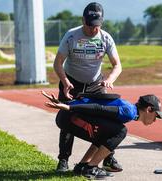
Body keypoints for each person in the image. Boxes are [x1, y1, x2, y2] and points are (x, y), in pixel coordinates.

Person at [53, 2, 122, 172]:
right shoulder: (71, 36)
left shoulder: (106, 38)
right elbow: (58, 63)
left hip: (95, 85)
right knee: (67, 120)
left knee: (104, 122)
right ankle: (63, 160)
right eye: (90, 25)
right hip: (71, 83)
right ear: (83, 20)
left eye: (97, 26)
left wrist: (110, 79)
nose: (93, 30)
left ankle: (107, 158)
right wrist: (65, 81)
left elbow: (117, 65)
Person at [42, 91, 162, 180]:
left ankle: (82, 166)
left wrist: (65, 104)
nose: (155, 120)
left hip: (68, 116)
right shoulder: (129, 111)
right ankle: (91, 168)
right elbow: (98, 108)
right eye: (156, 116)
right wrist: (69, 107)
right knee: (121, 131)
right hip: (70, 117)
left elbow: (94, 103)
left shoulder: (129, 109)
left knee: (109, 132)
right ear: (149, 109)